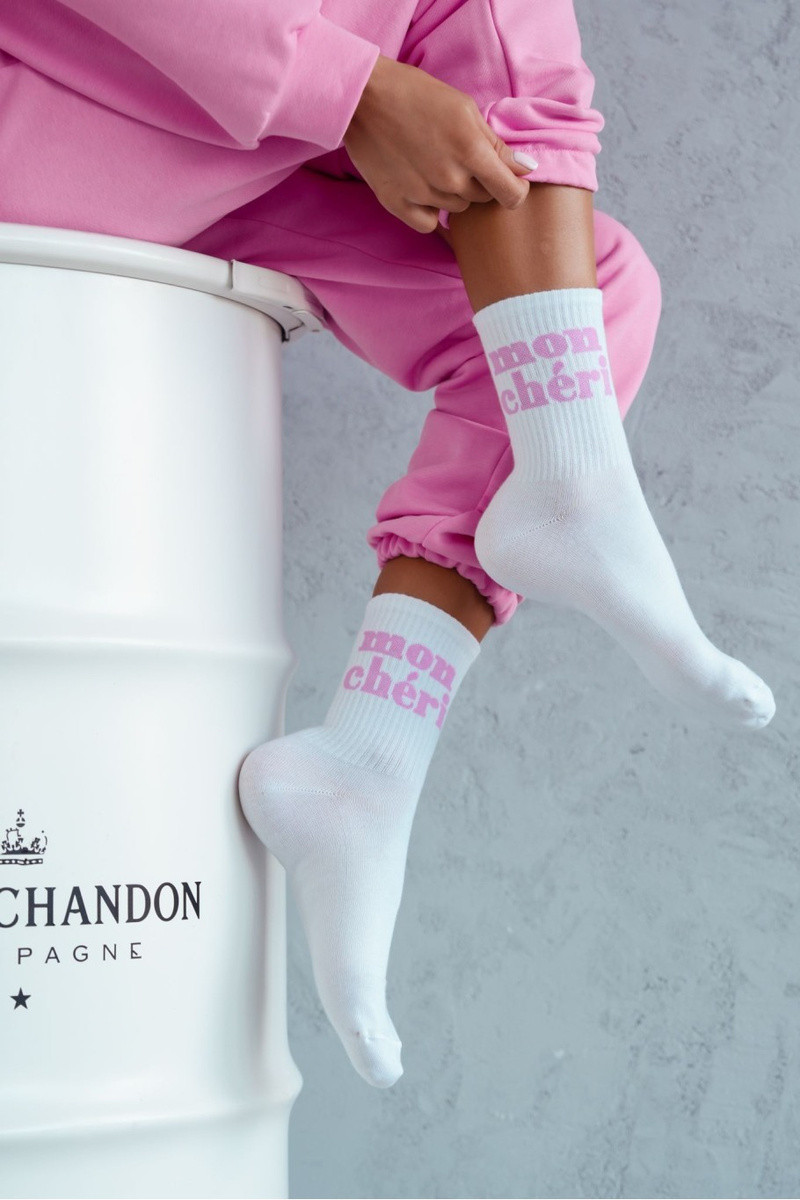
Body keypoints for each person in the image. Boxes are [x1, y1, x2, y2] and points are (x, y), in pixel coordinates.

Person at [0, 0, 775, 1090]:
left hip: (186, 145)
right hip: (46, 109)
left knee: (590, 292)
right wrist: (354, 91)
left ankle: (373, 752)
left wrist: (354, 95)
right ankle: (574, 489)